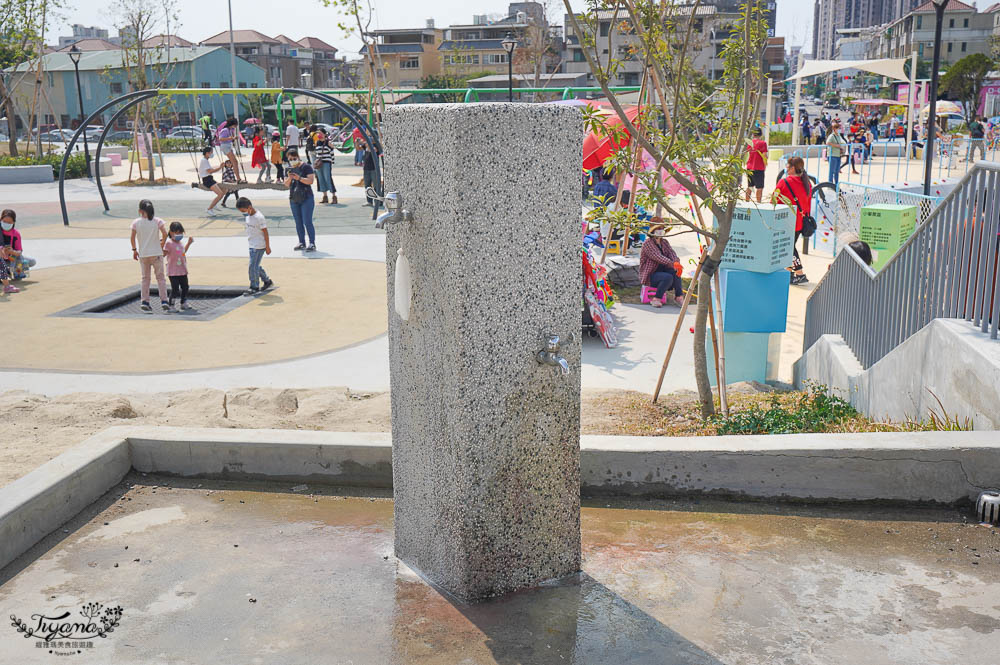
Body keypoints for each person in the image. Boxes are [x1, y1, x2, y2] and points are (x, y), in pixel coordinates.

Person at [773, 156, 811, 285]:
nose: (786, 169)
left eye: (787, 167)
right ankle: (789, 273)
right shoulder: (807, 183)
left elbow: (774, 200)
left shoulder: (785, 182)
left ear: (793, 168)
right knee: (790, 246)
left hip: (787, 221)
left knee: (789, 248)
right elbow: (808, 204)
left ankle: (800, 274)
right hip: (800, 221)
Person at [130, 199, 169, 313]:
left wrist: (134, 250)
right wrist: (161, 244)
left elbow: (132, 237)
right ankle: (164, 301)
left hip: (143, 254)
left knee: (145, 279)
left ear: (140, 210)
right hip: (156, 253)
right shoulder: (157, 221)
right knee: (160, 278)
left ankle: (145, 301)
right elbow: (165, 234)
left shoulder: (136, 222)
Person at [639, 223, 684, 308]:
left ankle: (679, 296)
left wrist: (676, 262)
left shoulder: (664, 242)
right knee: (667, 277)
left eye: (662, 228)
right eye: (658, 228)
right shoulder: (647, 243)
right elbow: (657, 256)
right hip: (650, 274)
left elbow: (671, 253)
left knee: (676, 272)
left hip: (663, 270)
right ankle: (656, 298)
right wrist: (672, 263)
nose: (660, 230)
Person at [235, 196, 274, 294]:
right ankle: (267, 281)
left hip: (259, 246)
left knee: (252, 266)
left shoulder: (259, 217)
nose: (244, 213)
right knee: (256, 266)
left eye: (244, 210)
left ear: (250, 207)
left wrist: (268, 246)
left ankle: (254, 286)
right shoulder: (248, 216)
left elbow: (265, 232)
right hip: (252, 244)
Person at [283, 147, 317, 252]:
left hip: (306, 196)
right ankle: (301, 241)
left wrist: (299, 178)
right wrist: (290, 177)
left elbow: (311, 181)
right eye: (290, 159)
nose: (292, 161)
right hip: (294, 197)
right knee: (298, 221)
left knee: (307, 221)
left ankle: (312, 243)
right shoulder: (288, 169)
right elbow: (286, 184)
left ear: (298, 157)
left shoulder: (306, 167)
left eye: (294, 158)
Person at [163, 221, 193, 311]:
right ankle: (171, 305)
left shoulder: (180, 243)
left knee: (185, 287)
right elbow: (163, 254)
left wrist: (189, 243)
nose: (179, 235)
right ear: (171, 232)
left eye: (181, 233)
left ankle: (183, 302)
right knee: (175, 288)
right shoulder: (169, 243)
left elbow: (183, 253)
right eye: (177, 233)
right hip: (173, 271)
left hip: (182, 270)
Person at [1, 209, 36, 280]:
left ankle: (13, 272)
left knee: (32, 261)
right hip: (1, 258)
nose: (6, 224)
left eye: (9, 222)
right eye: (4, 221)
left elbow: (19, 251)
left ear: (13, 222)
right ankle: (6, 272)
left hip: (11, 258)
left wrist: (13, 252)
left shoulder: (15, 234)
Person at [199, 146, 225, 216]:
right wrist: (220, 167)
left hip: (210, 179)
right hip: (207, 180)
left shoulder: (206, 160)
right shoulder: (204, 161)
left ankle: (215, 204)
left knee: (224, 189)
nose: (212, 154)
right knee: (220, 194)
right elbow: (210, 171)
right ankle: (209, 209)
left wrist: (220, 167)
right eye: (211, 152)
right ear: (207, 153)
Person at [313, 127, 337, 204]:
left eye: (320, 133)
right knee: (320, 178)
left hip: (327, 162)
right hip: (319, 163)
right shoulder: (317, 142)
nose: (318, 134)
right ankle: (325, 196)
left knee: (328, 178)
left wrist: (332, 161)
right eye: (317, 133)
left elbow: (332, 152)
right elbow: (316, 153)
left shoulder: (328, 142)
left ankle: (333, 196)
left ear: (324, 134)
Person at [745, 126, 767, 203]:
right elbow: (764, 155)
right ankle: (758, 203)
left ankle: (746, 201)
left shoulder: (749, 143)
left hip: (749, 167)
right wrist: (765, 165)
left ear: (753, 134)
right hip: (759, 168)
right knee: (759, 187)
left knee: (750, 186)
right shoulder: (763, 143)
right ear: (761, 135)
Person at [825, 121, 846, 186]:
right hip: (832, 155)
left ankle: (836, 184)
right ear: (834, 129)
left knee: (837, 171)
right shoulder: (831, 136)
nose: (839, 130)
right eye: (838, 128)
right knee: (831, 171)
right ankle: (830, 184)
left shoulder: (838, 136)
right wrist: (837, 146)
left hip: (838, 155)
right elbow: (828, 143)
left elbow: (843, 142)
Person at [362, 141, 377, 207]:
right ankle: (369, 201)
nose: (365, 143)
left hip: (373, 169)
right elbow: (358, 148)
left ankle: (377, 201)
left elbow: (375, 150)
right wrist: (356, 142)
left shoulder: (375, 147)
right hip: (366, 169)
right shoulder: (365, 147)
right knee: (367, 186)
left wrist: (369, 146)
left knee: (376, 186)